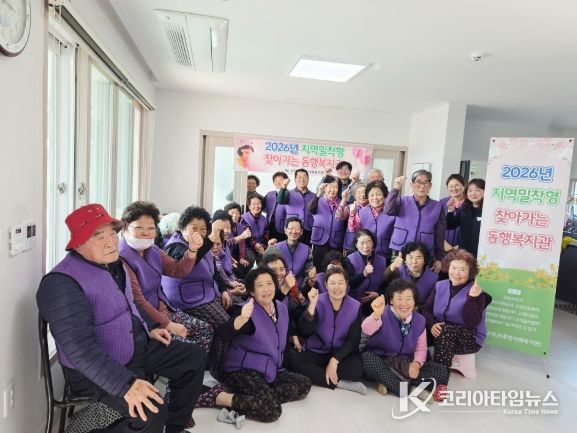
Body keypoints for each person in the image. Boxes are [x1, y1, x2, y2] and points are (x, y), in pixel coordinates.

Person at [37, 203, 206, 433]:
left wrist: (150, 328)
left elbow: (130, 305)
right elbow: (79, 349)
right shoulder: (61, 282)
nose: (110, 242)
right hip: (99, 367)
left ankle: (175, 428)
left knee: (193, 357)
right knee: (151, 411)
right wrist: (126, 385)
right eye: (98, 236)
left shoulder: (114, 264)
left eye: (112, 234)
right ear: (77, 244)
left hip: (135, 347)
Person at [218, 268, 311, 422]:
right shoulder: (246, 310)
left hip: (270, 368)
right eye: (260, 285)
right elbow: (223, 334)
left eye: (269, 283)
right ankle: (220, 397)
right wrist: (241, 319)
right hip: (242, 370)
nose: (266, 289)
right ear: (252, 291)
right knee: (272, 409)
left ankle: (261, 396)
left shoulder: (281, 307)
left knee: (304, 383)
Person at [119, 201, 213, 353]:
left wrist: (192, 250)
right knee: (190, 349)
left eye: (151, 228)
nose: (146, 233)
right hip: (144, 319)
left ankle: (195, 366)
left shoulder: (153, 250)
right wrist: (168, 325)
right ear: (125, 227)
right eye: (139, 228)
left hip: (163, 309)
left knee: (205, 329)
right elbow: (138, 300)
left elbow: (178, 271)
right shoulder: (121, 257)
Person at [162, 206, 231, 378]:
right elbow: (187, 261)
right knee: (226, 326)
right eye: (194, 228)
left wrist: (225, 289)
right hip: (187, 300)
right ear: (182, 228)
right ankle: (219, 370)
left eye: (203, 229)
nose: (199, 233)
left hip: (206, 294)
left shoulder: (204, 244)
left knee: (236, 310)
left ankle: (218, 364)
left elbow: (213, 269)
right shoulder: (174, 246)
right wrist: (210, 237)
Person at [361, 279, 449, 401]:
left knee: (442, 373)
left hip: (405, 363)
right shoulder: (382, 313)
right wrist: (376, 315)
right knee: (367, 359)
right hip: (383, 359)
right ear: (391, 300)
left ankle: (387, 381)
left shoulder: (420, 320)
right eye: (399, 298)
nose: (404, 303)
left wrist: (416, 365)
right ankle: (409, 390)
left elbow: (421, 349)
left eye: (408, 299)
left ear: (414, 301)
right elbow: (366, 329)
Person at [289, 267, 366, 394]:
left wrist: (334, 360)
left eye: (340, 283)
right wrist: (312, 306)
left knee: (356, 368)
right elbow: (304, 330)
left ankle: (321, 375)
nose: (337, 287)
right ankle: (338, 383)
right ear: (326, 285)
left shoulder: (355, 306)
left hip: (341, 354)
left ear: (346, 284)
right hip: (318, 351)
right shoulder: (317, 300)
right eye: (332, 283)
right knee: (295, 360)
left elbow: (353, 340)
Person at [421, 249, 492, 371]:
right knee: (416, 327)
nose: (456, 273)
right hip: (441, 332)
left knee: (445, 330)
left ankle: (439, 374)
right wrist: (432, 325)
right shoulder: (440, 285)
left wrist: (472, 298)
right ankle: (422, 363)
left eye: (462, 270)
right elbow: (426, 309)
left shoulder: (477, 292)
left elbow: (472, 322)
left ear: (470, 272)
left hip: (469, 338)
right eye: (453, 268)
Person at [384, 170, 446, 272]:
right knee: (397, 276)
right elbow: (388, 210)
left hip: (424, 252)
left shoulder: (437, 206)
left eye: (425, 182)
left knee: (421, 278)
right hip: (400, 249)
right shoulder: (402, 200)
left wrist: (439, 258)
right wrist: (396, 188)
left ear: (430, 185)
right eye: (418, 182)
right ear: (411, 185)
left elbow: (440, 235)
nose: (422, 186)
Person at [384, 241, 439, 308]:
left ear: (425, 260)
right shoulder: (399, 270)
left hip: (419, 311)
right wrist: (392, 266)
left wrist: (416, 309)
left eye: (418, 258)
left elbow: (430, 304)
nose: (414, 261)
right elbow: (386, 278)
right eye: (410, 257)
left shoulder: (433, 278)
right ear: (405, 258)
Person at [344, 229, 387, 314]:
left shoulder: (382, 260)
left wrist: (378, 294)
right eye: (362, 243)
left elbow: (386, 284)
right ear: (356, 244)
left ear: (373, 243)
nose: (366, 246)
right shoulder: (349, 259)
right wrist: (364, 274)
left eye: (369, 242)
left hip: (375, 303)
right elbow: (349, 283)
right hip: (354, 302)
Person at [308, 175, 346, 269]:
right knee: (318, 267)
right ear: (324, 187)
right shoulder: (317, 200)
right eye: (330, 186)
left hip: (336, 240)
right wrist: (318, 194)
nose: (332, 190)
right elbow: (311, 209)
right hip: (320, 239)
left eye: (335, 187)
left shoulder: (342, 202)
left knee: (335, 268)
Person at [356, 180, 395, 260]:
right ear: (367, 197)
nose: (375, 198)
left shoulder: (392, 213)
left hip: (386, 255)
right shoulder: (361, 213)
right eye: (371, 195)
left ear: (384, 195)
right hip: (365, 255)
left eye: (378, 194)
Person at [446, 178, 485, 257]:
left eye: (477, 190)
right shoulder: (464, 209)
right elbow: (450, 225)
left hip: (482, 255)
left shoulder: (488, 211)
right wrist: (450, 210)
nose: (473, 193)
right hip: (464, 254)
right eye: (470, 191)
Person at [277, 168, 316, 245]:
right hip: (292, 229)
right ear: (295, 180)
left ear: (308, 179)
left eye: (304, 177)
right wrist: (283, 187)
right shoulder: (288, 193)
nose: (302, 179)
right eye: (299, 177)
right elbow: (280, 201)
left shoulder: (313, 195)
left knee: (306, 250)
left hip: (308, 229)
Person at [273, 217, 314, 289]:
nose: (294, 231)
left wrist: (302, 289)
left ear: (301, 231)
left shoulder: (307, 250)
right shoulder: (276, 248)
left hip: (300, 289)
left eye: (297, 228)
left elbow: (308, 274)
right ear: (285, 230)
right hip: (279, 289)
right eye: (291, 228)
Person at [336, 182, 368, 254]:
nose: (362, 195)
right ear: (354, 195)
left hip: (367, 244)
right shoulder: (351, 207)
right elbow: (339, 216)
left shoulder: (372, 208)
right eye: (359, 193)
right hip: (350, 244)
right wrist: (344, 199)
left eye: (364, 192)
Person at [223, 202, 252, 279]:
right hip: (227, 256)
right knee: (238, 272)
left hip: (237, 256)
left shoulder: (240, 226)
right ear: (226, 214)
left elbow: (242, 243)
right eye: (232, 213)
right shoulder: (224, 227)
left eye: (237, 213)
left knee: (247, 266)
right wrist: (241, 237)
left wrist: (242, 258)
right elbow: (224, 244)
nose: (235, 215)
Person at [240, 193, 271, 265]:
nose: (256, 206)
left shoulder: (264, 219)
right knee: (251, 258)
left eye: (258, 203)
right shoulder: (244, 218)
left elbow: (266, 236)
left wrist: (262, 246)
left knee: (268, 258)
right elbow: (246, 237)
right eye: (253, 204)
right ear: (249, 206)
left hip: (260, 245)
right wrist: (255, 245)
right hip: (247, 246)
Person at [439, 174, 466, 252]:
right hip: (443, 247)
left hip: (463, 249)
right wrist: (444, 243)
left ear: (463, 186)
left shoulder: (469, 204)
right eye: (451, 186)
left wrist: (460, 246)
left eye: (457, 185)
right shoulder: (442, 203)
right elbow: (436, 225)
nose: (454, 188)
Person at [263, 171, 288, 242]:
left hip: (283, 226)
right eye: (276, 180)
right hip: (270, 225)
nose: (278, 182)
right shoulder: (269, 194)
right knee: (271, 245)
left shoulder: (289, 193)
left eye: (280, 180)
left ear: (285, 181)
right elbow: (262, 206)